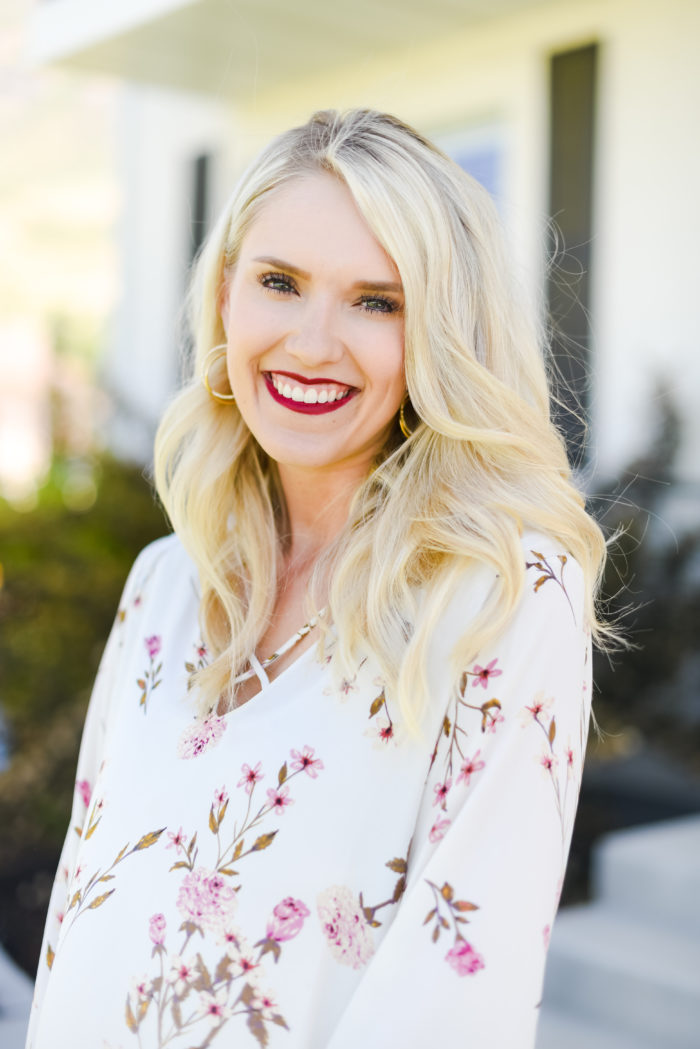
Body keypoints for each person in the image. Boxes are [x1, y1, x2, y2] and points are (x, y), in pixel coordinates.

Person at [26, 109, 609, 1049]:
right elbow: (74, 927)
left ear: (442, 336)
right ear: (225, 296)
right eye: (280, 282)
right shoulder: (163, 583)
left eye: (377, 301)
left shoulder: (504, 594)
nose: (310, 341)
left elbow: (458, 1001)